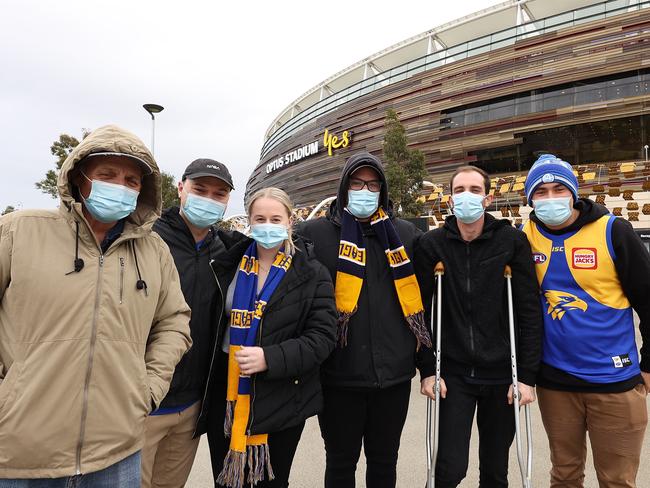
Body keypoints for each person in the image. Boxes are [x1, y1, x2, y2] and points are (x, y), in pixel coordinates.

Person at [0, 124, 192, 487]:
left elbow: (175, 321)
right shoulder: (18, 232)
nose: (120, 186)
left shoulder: (154, 251)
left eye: (131, 180)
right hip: (21, 456)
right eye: (107, 174)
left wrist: (147, 388)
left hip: (117, 453)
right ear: (79, 177)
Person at [296, 152, 434, 488]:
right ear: (344, 188)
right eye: (357, 183)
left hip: (393, 376)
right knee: (341, 464)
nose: (365, 190)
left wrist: (427, 366)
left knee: (385, 462)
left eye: (373, 184)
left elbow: (420, 303)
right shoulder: (314, 234)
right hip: (339, 375)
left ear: (383, 190)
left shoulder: (404, 235)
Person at [522, 154, 650, 487]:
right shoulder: (524, 236)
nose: (551, 199)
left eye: (559, 189)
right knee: (564, 475)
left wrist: (649, 364)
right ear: (530, 199)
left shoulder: (614, 231)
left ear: (574, 192)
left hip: (615, 381)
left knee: (617, 480)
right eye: (541, 192)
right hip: (556, 384)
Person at [414, 165, 542, 488]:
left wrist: (526, 377)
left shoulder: (511, 242)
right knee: (449, 469)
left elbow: (528, 311)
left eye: (474, 190)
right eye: (459, 190)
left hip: (502, 374)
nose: (466, 196)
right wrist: (428, 368)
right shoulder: (431, 245)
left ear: (488, 198)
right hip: (454, 374)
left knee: (495, 471)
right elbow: (419, 313)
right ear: (450, 199)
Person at [208, 187, 337, 488]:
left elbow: (322, 338)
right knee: (225, 482)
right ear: (249, 222)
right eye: (260, 218)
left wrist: (269, 358)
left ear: (290, 222)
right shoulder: (230, 264)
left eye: (275, 218)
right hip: (227, 393)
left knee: (272, 482)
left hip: (284, 395)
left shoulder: (312, 272)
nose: (268, 225)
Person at [142, 159, 250, 488]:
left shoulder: (225, 249)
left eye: (219, 194)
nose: (208, 199)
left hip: (191, 406)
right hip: (143, 403)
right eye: (200, 190)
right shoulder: (148, 238)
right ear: (181, 188)